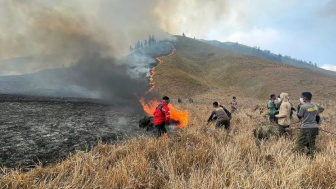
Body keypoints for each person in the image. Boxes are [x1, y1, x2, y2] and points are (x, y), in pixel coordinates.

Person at [295, 92, 320, 157]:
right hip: (314, 127)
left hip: (305, 127)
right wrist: (315, 124)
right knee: (311, 142)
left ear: (305, 98)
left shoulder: (303, 107)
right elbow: (317, 117)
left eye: (302, 97)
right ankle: (312, 156)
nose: (301, 98)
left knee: (300, 142)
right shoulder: (315, 106)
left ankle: (298, 157)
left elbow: (299, 116)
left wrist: (298, 107)